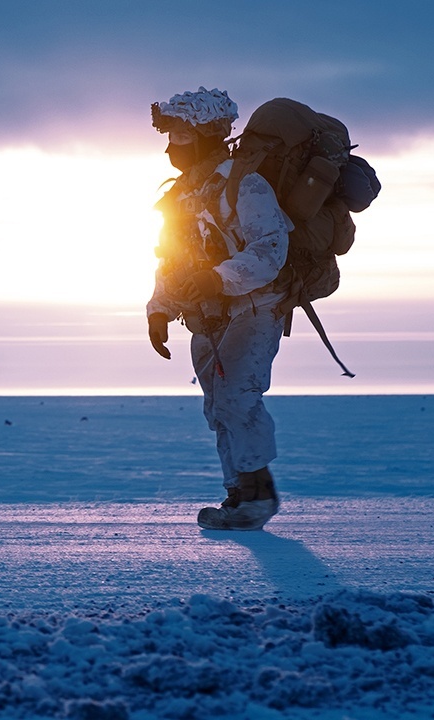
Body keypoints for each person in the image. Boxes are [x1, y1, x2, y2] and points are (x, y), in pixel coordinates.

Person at [145, 87, 292, 530]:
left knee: (237, 397)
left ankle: (258, 496)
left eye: (181, 136)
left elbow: (270, 249)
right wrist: (158, 308)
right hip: (208, 317)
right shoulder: (183, 196)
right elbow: (174, 259)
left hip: (254, 308)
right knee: (217, 405)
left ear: (208, 134)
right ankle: (237, 495)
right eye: (169, 137)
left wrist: (219, 277)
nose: (172, 147)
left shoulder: (243, 184)